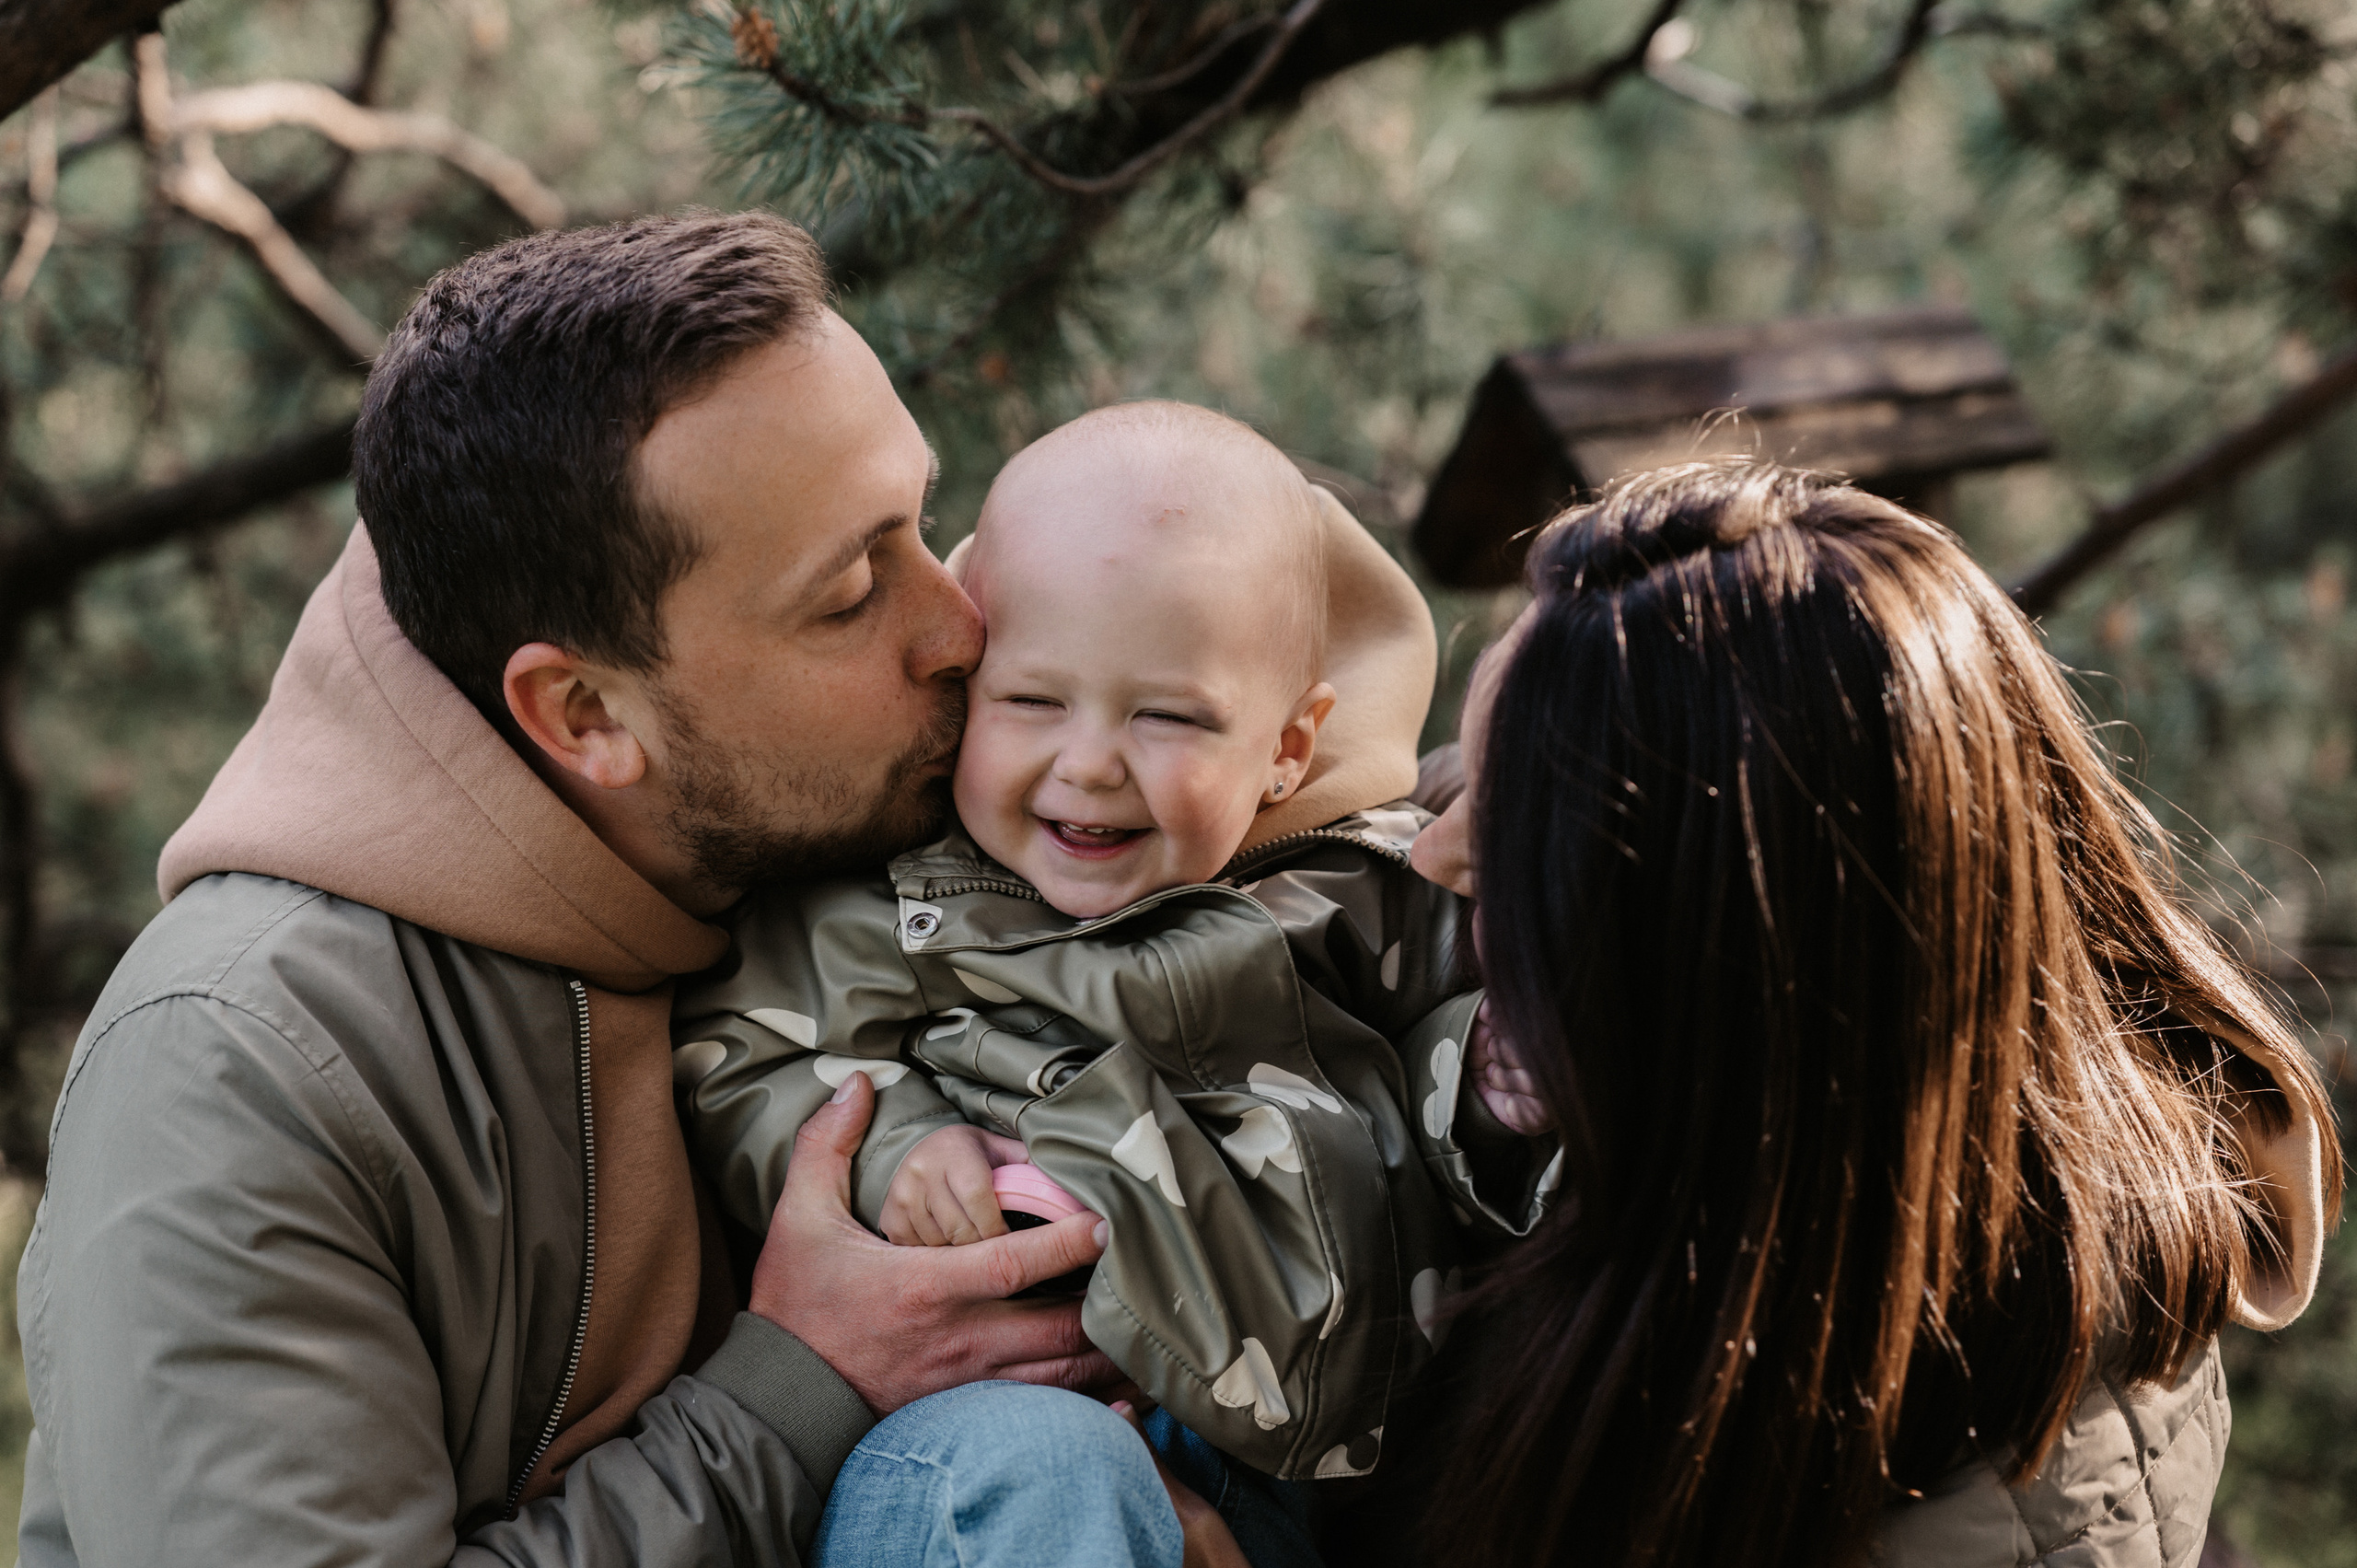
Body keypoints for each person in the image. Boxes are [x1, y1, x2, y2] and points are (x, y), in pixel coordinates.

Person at [15, 212, 1237, 1567]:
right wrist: (800, 1382)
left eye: (922, 524)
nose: (957, 626)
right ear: (588, 711)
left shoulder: (866, 818)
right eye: (847, 594)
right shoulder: (237, 1067)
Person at [1387, 458, 2340, 1568]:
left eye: (1506, 842)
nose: (1432, 852)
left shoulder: (1902, 1496)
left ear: (1716, 976)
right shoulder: (1831, 1202)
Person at [673, 404, 1551, 1510]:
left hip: (1333, 1456)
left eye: (1170, 718)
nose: (1088, 764)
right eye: (1032, 699)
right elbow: (738, 1049)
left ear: (1284, 746)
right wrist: (896, 1142)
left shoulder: (1353, 891)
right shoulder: (893, 906)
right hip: (1022, 1411)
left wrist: (1479, 1081)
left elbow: (1429, 1084)